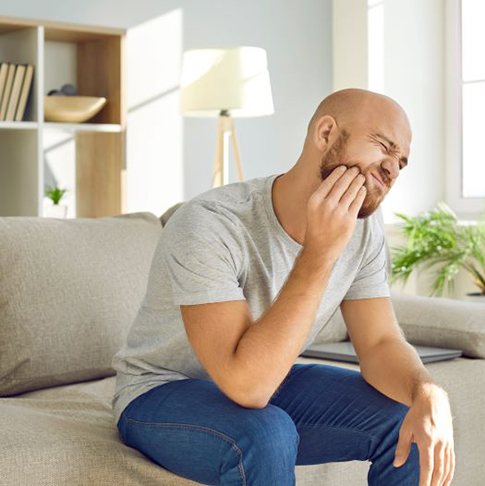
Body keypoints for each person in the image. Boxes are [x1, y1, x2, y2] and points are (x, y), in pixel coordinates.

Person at [111, 88, 455, 486]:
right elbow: (247, 386)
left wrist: (425, 390)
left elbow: (379, 342)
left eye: (401, 162)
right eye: (382, 146)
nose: (391, 168)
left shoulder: (363, 231)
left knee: (407, 418)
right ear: (326, 133)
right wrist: (320, 252)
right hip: (160, 391)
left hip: (269, 373)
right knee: (267, 434)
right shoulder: (209, 223)